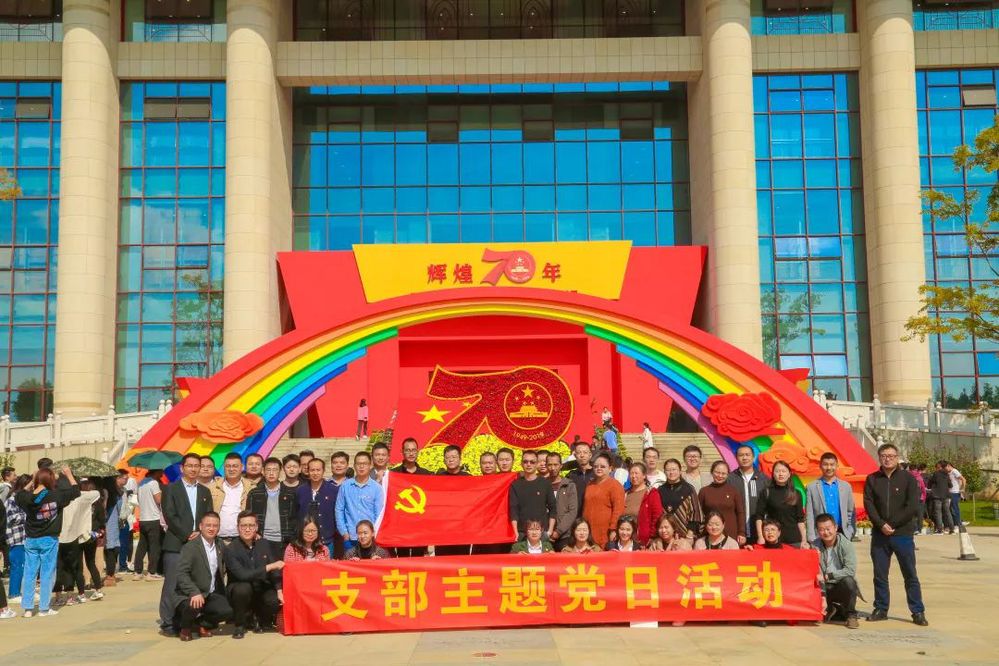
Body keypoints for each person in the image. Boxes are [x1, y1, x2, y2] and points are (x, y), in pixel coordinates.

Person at [863, 443, 926, 626]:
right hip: (880, 535)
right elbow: (869, 504)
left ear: (897, 457)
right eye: (884, 456)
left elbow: (912, 505)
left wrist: (892, 524)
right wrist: (881, 524)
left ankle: (917, 611)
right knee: (880, 575)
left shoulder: (908, 478)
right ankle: (881, 608)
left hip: (902, 534)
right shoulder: (872, 479)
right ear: (879, 457)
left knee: (910, 574)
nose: (887, 459)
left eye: (891, 456)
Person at [159, 453, 213, 636]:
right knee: (172, 584)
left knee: (196, 584)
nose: (193, 469)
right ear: (182, 468)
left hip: (198, 544)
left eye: (197, 466)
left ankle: (191, 622)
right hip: (176, 543)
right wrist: (187, 534)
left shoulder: (204, 492)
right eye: (190, 465)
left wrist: (200, 533)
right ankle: (168, 622)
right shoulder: (170, 489)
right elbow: (169, 515)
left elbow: (208, 516)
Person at [16, 465, 80, 617]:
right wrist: (69, 474)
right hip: (49, 539)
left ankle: (28, 609)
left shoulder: (26, 497)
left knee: (29, 573)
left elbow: (19, 494)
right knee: (47, 573)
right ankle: (44, 608)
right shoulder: (56, 495)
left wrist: (32, 480)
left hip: (31, 539)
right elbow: (76, 491)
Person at [172, 512, 232, 642]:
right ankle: (185, 628)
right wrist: (194, 592)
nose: (211, 528)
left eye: (215, 526)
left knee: (228, 611)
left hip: (209, 594)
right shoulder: (190, 547)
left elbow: (232, 556)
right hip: (189, 595)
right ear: (200, 526)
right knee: (194, 604)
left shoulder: (220, 544)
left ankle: (202, 624)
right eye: (208, 525)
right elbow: (182, 573)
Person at [225, 511, 285, 639]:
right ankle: (240, 624)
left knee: (274, 599)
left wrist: (279, 590)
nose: (247, 529)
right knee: (243, 589)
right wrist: (268, 567)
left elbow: (275, 570)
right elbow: (243, 575)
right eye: (243, 526)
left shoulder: (264, 543)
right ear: (238, 528)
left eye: (251, 526)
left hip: (260, 586)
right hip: (239, 589)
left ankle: (259, 618)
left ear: (256, 527)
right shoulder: (231, 549)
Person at [53, 477, 100, 607]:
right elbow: (96, 493)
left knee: (58, 567)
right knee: (71, 568)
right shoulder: (80, 498)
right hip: (73, 537)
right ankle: (69, 596)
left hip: (57, 537)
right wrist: (73, 480)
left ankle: (57, 596)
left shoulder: (55, 497)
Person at [813, 513, 860, 629]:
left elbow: (850, 570)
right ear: (817, 531)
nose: (826, 532)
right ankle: (832, 609)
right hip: (824, 587)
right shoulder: (814, 546)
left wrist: (828, 576)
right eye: (821, 530)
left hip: (840, 584)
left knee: (849, 581)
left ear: (835, 527)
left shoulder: (846, 544)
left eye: (828, 528)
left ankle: (851, 615)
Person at [246, 457, 299, 552]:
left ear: (280, 472)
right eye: (268, 470)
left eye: (275, 470)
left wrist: (292, 537)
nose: (271, 473)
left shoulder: (290, 494)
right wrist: (254, 533)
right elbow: (249, 516)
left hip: (284, 541)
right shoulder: (254, 493)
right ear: (263, 471)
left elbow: (294, 518)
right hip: (261, 539)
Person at [335, 452, 384, 552]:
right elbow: (339, 510)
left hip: (370, 538)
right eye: (358, 464)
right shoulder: (345, 486)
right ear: (354, 466)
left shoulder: (377, 488)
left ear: (370, 465)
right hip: (351, 537)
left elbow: (378, 514)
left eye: (364, 464)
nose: (361, 466)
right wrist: (344, 533)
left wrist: (374, 533)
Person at [754, 460, 807, 548]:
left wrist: (804, 540)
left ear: (789, 474)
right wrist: (760, 536)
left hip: (794, 540)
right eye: (777, 471)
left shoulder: (796, 493)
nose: (781, 474)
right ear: (773, 474)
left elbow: (800, 519)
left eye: (783, 471)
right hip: (774, 541)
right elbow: (759, 516)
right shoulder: (766, 492)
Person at [805, 452, 856, 542]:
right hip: (821, 534)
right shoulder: (811, 487)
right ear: (820, 466)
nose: (829, 468)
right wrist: (811, 537)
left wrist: (850, 532)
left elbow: (850, 511)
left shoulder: (846, 486)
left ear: (837, 466)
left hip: (843, 534)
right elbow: (809, 515)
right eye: (825, 464)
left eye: (832, 464)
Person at [508, 450, 556, 540]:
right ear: (521, 464)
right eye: (525, 461)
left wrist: (549, 531)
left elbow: (553, 508)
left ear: (537, 464)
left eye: (532, 462)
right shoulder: (515, 485)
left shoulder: (545, 483)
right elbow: (513, 510)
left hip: (541, 532)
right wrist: (515, 533)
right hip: (522, 533)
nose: (528, 464)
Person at [297, 458, 340, 556]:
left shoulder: (333, 490)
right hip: (305, 541)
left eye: (318, 470)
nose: (315, 473)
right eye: (312, 470)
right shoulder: (300, 490)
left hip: (327, 540)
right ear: (308, 471)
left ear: (323, 471)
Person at [727, 444, 769, 542]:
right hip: (737, 532)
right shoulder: (730, 479)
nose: (744, 458)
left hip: (759, 533)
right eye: (741, 455)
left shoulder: (763, 479)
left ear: (753, 457)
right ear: (736, 458)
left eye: (747, 455)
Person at [582, 453, 625, 549]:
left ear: (610, 468)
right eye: (596, 466)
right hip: (589, 531)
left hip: (605, 533)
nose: (599, 469)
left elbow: (618, 510)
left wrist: (613, 529)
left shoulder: (615, 485)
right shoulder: (590, 485)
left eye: (602, 466)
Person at [434, 446, 472, 556]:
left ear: (460, 459)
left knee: (461, 560)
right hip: (443, 528)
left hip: (462, 528)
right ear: (444, 460)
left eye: (454, 457)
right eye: (448, 457)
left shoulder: (469, 478)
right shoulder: (437, 479)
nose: (451, 460)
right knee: (442, 560)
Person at [698, 460, 746, 544]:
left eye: (723, 473)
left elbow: (740, 513)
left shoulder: (733, 491)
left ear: (728, 475)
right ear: (712, 472)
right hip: (711, 533)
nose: (720, 476)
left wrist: (741, 532)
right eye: (717, 472)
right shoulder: (704, 491)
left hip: (731, 533)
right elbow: (698, 514)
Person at [211, 453, 253, 544]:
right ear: (224, 468)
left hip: (242, 539)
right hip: (217, 539)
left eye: (235, 466)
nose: (231, 469)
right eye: (228, 466)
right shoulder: (213, 487)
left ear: (242, 467)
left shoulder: (251, 487)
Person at [657, 458, 703, 538]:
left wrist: (690, 534)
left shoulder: (689, 489)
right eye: (668, 470)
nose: (671, 472)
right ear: (664, 472)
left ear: (680, 471)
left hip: (686, 535)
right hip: (665, 534)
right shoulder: (660, 490)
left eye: (674, 469)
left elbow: (696, 513)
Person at [134, 469, 165, 579]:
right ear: (156, 472)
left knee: (142, 546)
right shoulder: (154, 483)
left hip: (143, 518)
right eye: (161, 471)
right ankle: (152, 572)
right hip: (154, 518)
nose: (162, 474)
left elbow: (138, 499)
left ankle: (137, 571)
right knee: (154, 547)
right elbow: (159, 500)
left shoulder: (141, 483)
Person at [4, 474, 29, 604]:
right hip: (16, 537)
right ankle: (14, 593)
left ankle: (23, 591)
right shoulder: (12, 499)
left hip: (25, 537)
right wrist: (29, 514)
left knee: (26, 565)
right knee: (17, 565)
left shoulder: (25, 498)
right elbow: (12, 518)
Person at [625, 463, 664, 544]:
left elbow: (657, 516)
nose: (633, 476)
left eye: (636, 473)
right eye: (631, 473)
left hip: (643, 540)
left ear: (644, 476)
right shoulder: (625, 493)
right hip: (625, 538)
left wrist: (652, 537)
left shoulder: (651, 493)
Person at [547, 452, 578, 551]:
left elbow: (572, 511)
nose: (553, 468)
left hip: (565, 535)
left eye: (555, 464)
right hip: (545, 534)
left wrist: (558, 531)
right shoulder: (542, 484)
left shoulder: (569, 485)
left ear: (561, 465)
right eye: (550, 465)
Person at [103, 471, 129, 584]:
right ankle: (111, 574)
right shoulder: (117, 495)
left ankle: (110, 575)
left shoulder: (104, 493)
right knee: (113, 548)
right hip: (114, 524)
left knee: (108, 549)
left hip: (105, 524)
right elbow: (121, 511)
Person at [566, 441, 594, 517]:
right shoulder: (570, 476)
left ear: (590, 455)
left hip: (593, 515)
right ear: (575, 456)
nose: (582, 455)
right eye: (579, 453)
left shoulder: (597, 474)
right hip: (575, 517)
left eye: (585, 452)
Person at [928, 462, 954, 534]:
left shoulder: (935, 474)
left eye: (937, 467)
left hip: (937, 496)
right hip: (946, 496)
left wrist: (931, 487)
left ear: (939, 467)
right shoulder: (946, 474)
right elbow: (950, 485)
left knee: (938, 512)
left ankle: (940, 530)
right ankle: (952, 529)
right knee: (947, 512)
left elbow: (930, 483)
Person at [906, 461, 927, 535]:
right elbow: (923, 489)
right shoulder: (919, 477)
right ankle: (919, 529)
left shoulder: (907, 477)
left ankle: (914, 529)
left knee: (912, 515)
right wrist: (924, 498)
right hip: (919, 498)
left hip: (911, 498)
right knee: (920, 514)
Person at [944, 461, 965, 528]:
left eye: (945, 468)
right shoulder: (948, 472)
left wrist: (962, 489)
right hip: (950, 492)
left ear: (949, 466)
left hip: (955, 493)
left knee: (954, 508)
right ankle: (954, 523)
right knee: (950, 509)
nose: (945, 469)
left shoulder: (954, 471)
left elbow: (963, 479)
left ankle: (958, 523)